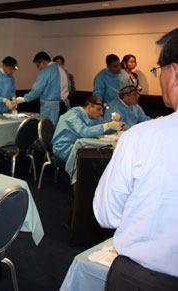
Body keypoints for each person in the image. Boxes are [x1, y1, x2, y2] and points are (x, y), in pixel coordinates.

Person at [93, 28, 178, 290]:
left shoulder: (143, 139)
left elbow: (106, 214)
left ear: (174, 72)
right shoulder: (121, 110)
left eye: (158, 70)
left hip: (147, 276)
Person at [51, 97, 124, 162]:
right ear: (89, 107)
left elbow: (103, 128)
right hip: (64, 149)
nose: (101, 113)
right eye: (98, 109)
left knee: (104, 153)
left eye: (102, 110)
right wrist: (108, 125)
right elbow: (84, 132)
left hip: (79, 145)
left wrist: (116, 125)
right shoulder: (73, 115)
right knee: (98, 158)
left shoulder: (92, 117)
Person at [16, 51, 71, 125]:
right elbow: (69, 87)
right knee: (59, 130)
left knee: (48, 130)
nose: (38, 68)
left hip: (50, 107)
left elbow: (37, 89)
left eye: (38, 65)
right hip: (64, 105)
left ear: (43, 62)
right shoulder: (63, 69)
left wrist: (24, 99)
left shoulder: (46, 71)